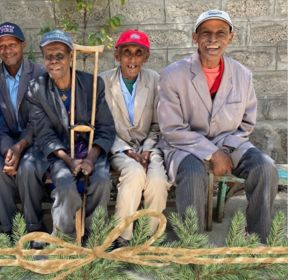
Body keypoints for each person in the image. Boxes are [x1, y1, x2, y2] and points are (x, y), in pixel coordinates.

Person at [157, 10, 278, 242]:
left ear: (230, 37)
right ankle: (193, 244)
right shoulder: (173, 74)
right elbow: (171, 128)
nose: (213, 40)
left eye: (220, 33)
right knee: (193, 175)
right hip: (185, 146)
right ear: (195, 37)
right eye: (206, 33)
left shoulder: (242, 75)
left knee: (265, 168)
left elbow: (246, 124)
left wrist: (224, 150)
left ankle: (257, 238)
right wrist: (212, 153)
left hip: (229, 142)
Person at [22, 30, 115, 240]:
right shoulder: (36, 89)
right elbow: (43, 133)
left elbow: (106, 128)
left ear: (71, 57)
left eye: (60, 56)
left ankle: (95, 236)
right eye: (48, 56)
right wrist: (68, 159)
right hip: (60, 152)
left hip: (89, 149)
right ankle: (65, 239)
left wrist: (91, 159)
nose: (54, 61)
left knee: (101, 181)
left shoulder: (92, 84)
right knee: (65, 186)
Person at [100, 29, 170, 248]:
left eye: (138, 53)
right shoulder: (103, 81)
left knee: (158, 180)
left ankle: (149, 238)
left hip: (149, 146)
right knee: (134, 173)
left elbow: (159, 124)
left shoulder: (154, 80)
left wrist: (148, 149)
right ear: (117, 55)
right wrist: (126, 151)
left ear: (145, 57)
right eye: (126, 52)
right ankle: (122, 236)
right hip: (119, 146)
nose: (132, 59)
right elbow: (101, 126)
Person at [0, 22, 45, 235]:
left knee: (28, 169)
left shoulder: (40, 74)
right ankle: (9, 230)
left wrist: (20, 147)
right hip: (4, 142)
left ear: (23, 45)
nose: (7, 50)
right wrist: (9, 150)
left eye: (12, 44)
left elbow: (40, 118)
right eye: (2, 45)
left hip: (34, 141)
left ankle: (34, 228)